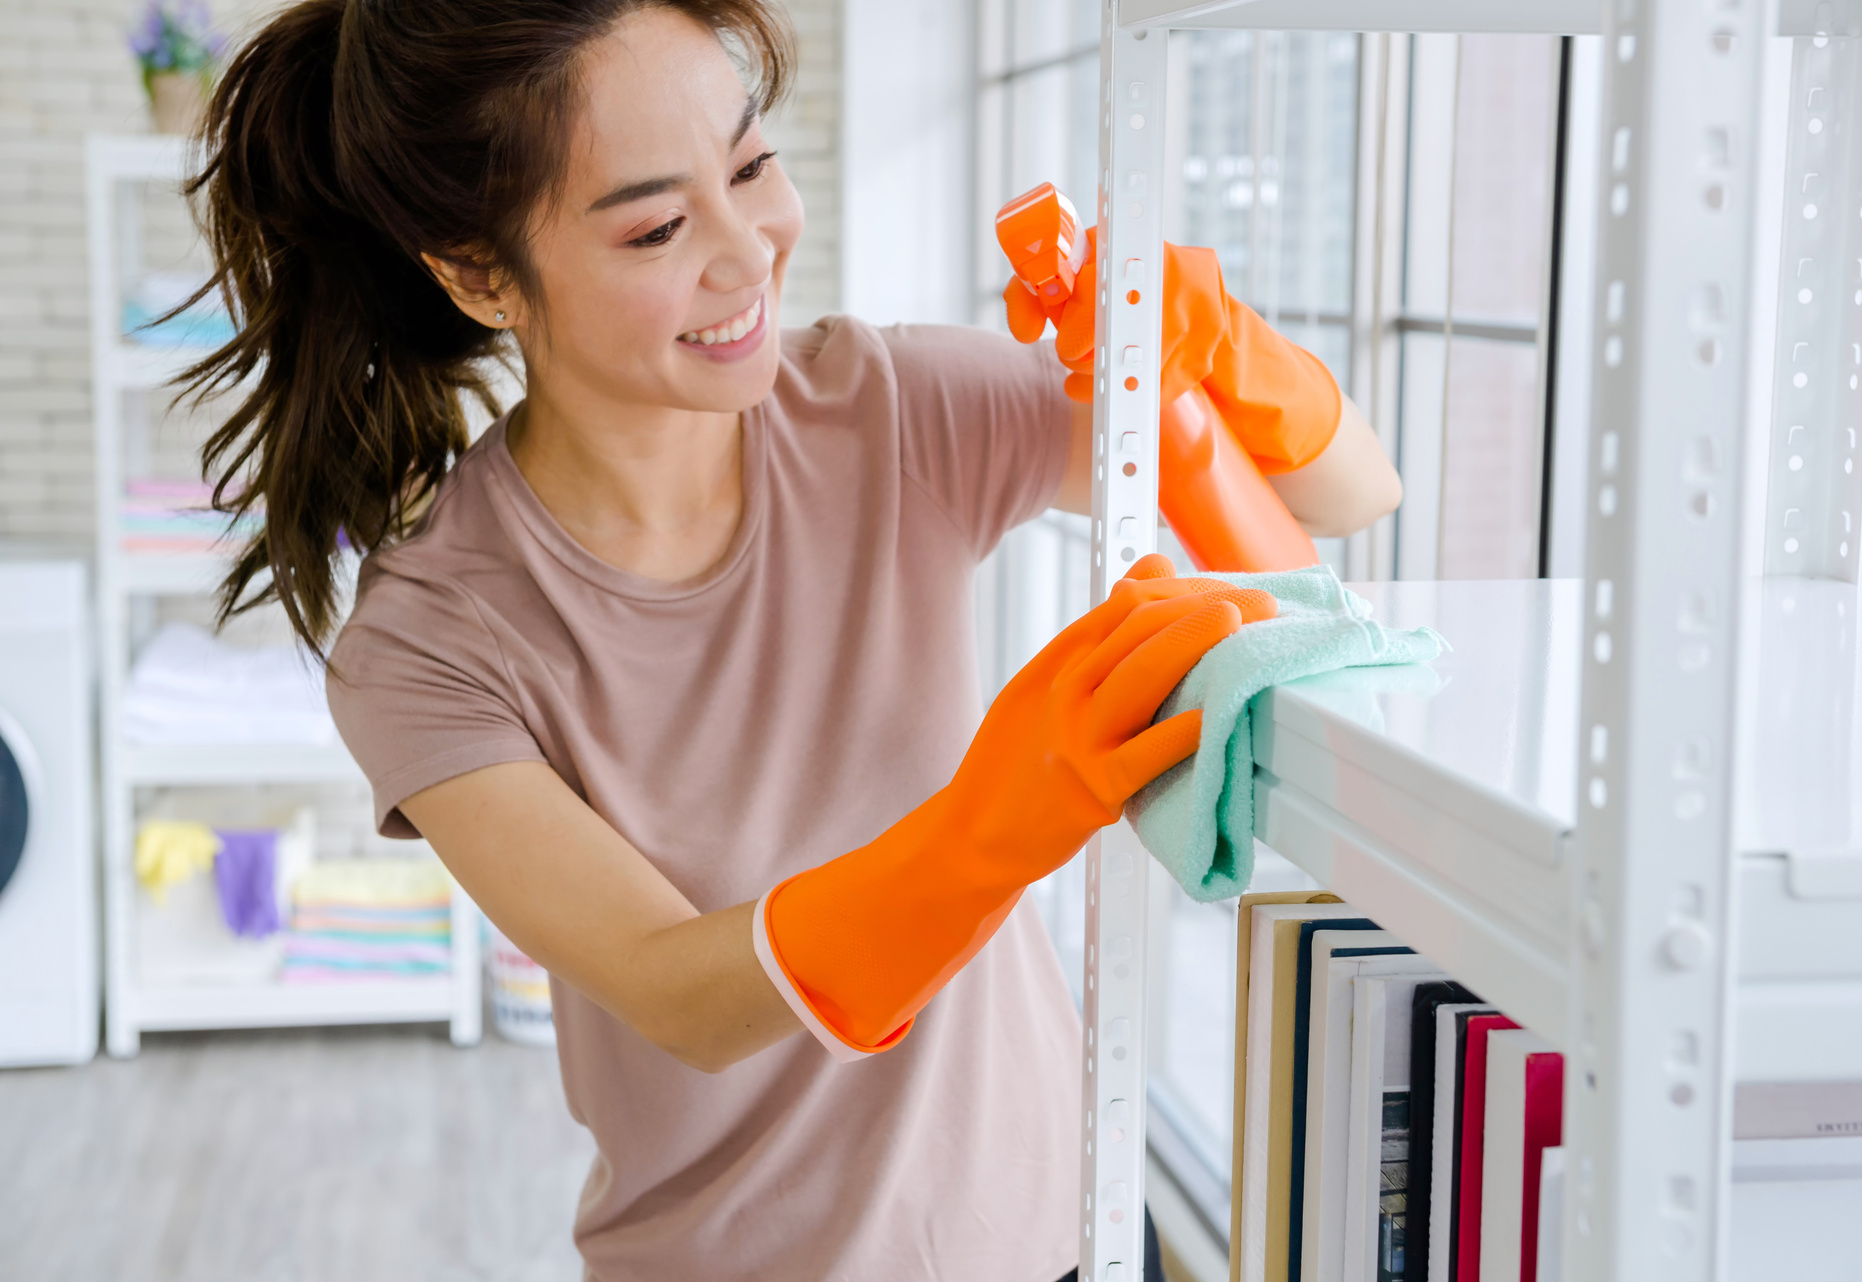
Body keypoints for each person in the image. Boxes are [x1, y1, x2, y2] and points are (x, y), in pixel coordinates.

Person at [183, 2, 1403, 1278]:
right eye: (658, 226)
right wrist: (1001, 813)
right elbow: (682, 994)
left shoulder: (887, 410)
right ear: (480, 272)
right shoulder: (432, 639)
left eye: (753, 164)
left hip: (1069, 1238)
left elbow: (1351, 494)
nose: (749, 247)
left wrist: (1227, 358)